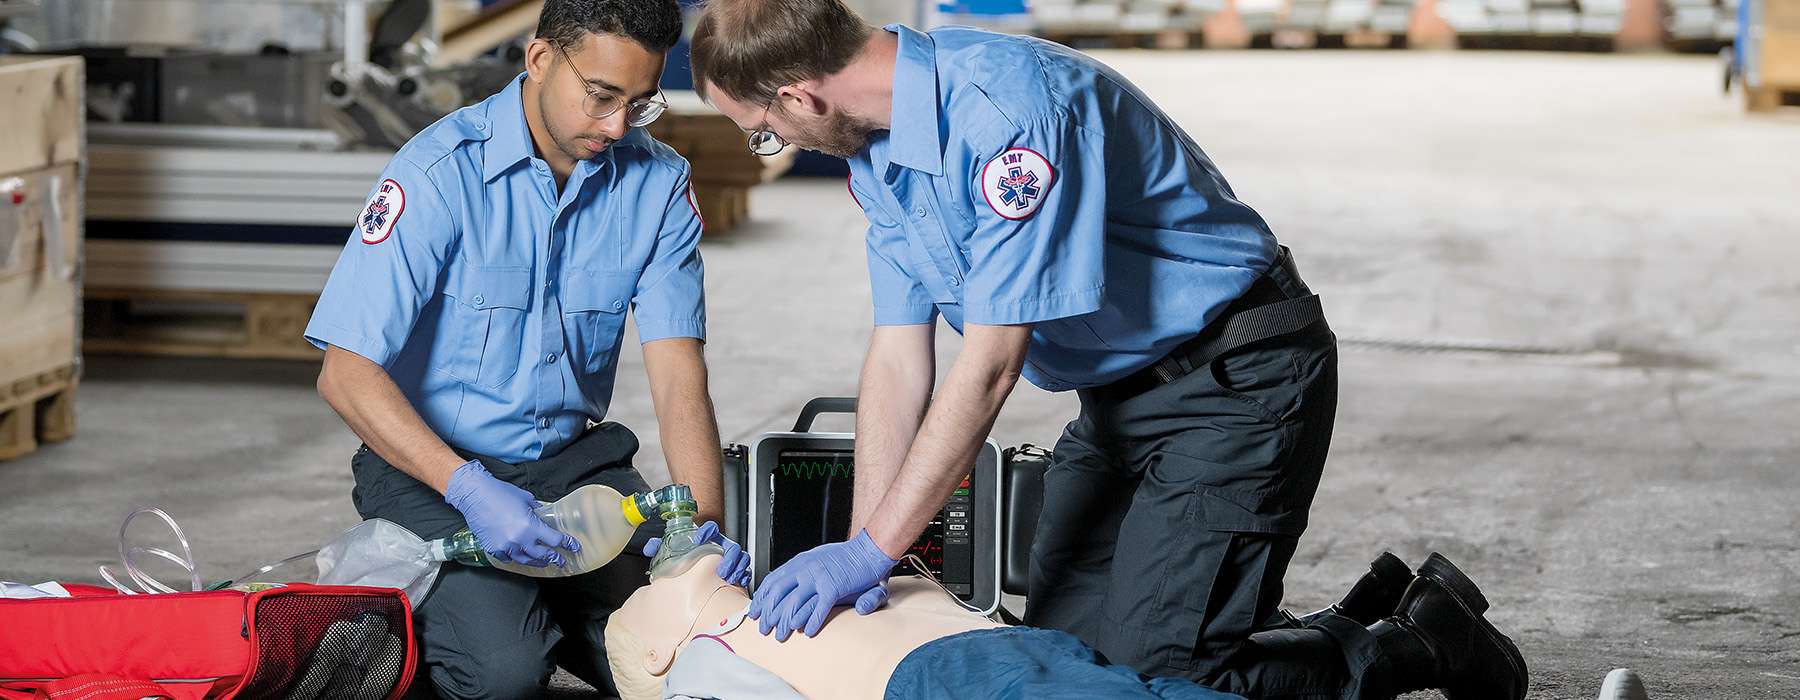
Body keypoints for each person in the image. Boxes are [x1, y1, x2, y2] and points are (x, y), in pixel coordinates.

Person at [684, 2, 1526, 697]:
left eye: (762, 129)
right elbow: (898, 357)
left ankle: (1413, 644)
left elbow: (987, 370)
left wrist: (870, 551)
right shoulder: (880, 156)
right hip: (1119, 399)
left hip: (1237, 380)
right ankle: (1341, 625)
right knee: (1056, 667)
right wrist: (873, 549)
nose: (775, 142)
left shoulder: (1010, 116)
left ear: (800, 96)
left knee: (1153, 681)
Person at [305, 1, 745, 696]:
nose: (616, 126)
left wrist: (700, 530)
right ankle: (433, 627)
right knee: (503, 675)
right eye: (600, 97)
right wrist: (468, 489)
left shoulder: (657, 184)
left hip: (577, 474)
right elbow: (346, 373)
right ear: (539, 59)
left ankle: (549, 607)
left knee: (685, 652)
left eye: (640, 103)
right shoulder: (437, 174)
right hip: (438, 475)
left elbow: (679, 379)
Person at [603, 549, 1521, 700]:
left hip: (967, 667)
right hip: (959, 672)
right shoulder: (706, 664)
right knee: (1162, 689)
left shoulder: (792, 594)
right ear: (653, 649)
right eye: (654, 587)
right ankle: (1389, 632)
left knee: (1160, 683)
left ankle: (1390, 639)